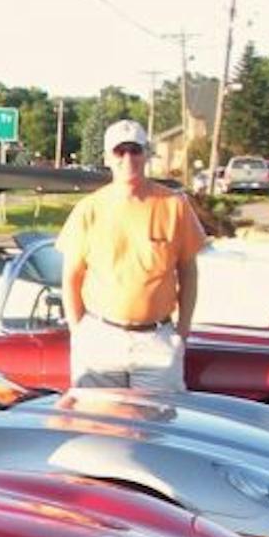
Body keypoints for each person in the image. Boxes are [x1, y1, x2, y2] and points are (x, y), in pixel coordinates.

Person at [58, 119, 206, 391]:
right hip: (100, 338)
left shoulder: (174, 206)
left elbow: (188, 272)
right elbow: (71, 277)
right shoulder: (89, 209)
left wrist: (181, 334)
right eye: (120, 151)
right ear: (107, 158)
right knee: (97, 428)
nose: (128, 158)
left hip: (156, 340)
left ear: (147, 154)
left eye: (135, 150)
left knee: (157, 429)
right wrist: (78, 332)